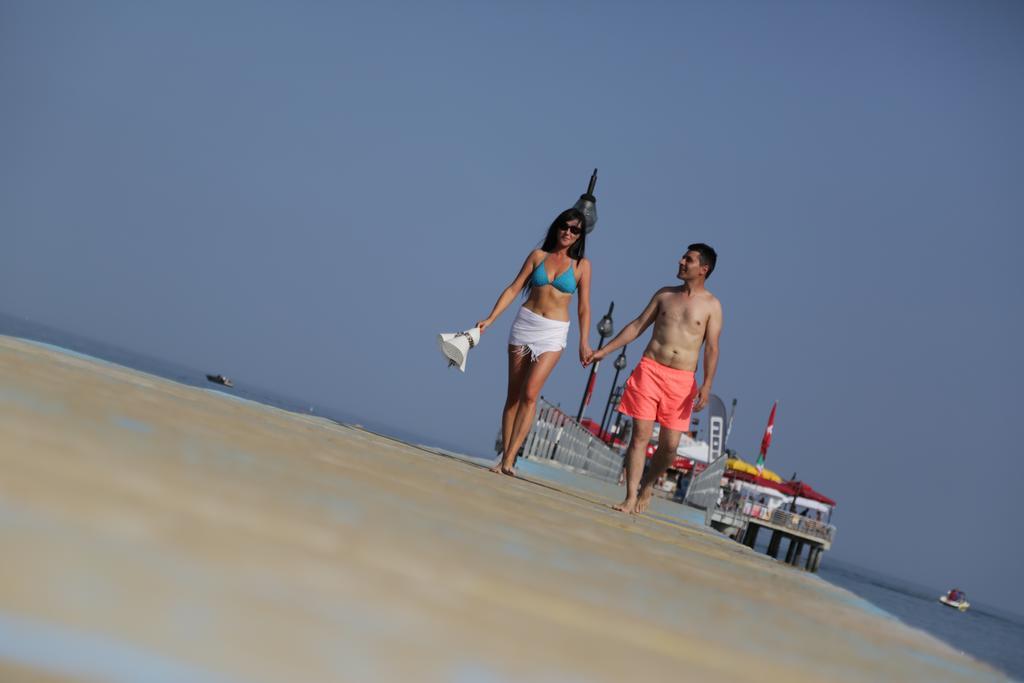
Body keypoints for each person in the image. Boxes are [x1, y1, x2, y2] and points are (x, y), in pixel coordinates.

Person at [585, 243, 722, 513]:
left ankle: (648, 483)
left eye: (689, 259)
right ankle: (630, 497)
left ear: (703, 269)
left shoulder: (712, 306)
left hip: (682, 381)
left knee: (670, 446)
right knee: (640, 436)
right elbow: (637, 326)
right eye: (683, 257)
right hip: (650, 369)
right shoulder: (665, 295)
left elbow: (712, 347)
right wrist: (604, 350)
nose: (681, 261)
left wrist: (707, 384)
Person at [476, 209, 593, 476]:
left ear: (579, 236)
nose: (568, 232)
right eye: (565, 226)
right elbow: (514, 288)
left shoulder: (582, 266)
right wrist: (491, 318)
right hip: (526, 323)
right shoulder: (538, 256)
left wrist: (583, 342)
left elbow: (584, 308)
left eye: (575, 230)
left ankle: (511, 457)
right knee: (513, 395)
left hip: (553, 332)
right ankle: (505, 457)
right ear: (557, 227)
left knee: (530, 394)